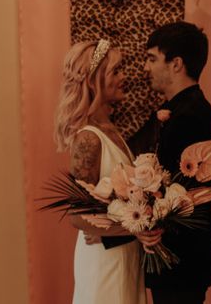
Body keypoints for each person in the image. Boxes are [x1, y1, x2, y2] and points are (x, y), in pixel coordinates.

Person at [54, 39, 146, 304]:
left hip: (125, 257)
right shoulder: (88, 139)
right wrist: (137, 228)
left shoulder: (113, 132)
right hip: (104, 262)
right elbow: (78, 215)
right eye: (116, 71)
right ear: (94, 81)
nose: (124, 77)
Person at [135, 21, 211, 304]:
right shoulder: (180, 109)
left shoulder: (191, 115)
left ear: (176, 64)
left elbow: (190, 197)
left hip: (180, 256)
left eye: (151, 58)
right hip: (175, 257)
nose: (146, 67)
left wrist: (149, 224)